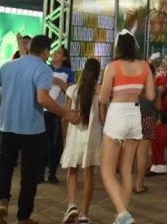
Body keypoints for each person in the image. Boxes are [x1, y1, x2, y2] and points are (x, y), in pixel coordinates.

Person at [0, 34, 80, 224]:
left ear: (30, 47)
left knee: (5, 165)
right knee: (29, 174)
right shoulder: (43, 69)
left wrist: (6, 97)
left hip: (7, 125)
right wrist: (66, 113)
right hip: (32, 130)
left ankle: (2, 202)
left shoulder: (8, 66)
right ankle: (24, 216)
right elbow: (42, 99)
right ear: (45, 52)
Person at [99, 31, 156, 224]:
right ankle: (122, 215)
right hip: (135, 114)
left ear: (118, 47)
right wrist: (135, 88)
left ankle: (123, 214)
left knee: (107, 171)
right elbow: (151, 96)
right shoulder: (145, 66)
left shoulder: (112, 67)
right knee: (126, 170)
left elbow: (103, 98)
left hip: (117, 113)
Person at [60, 58, 102, 224]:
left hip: (74, 137)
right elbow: (102, 117)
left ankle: (71, 205)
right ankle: (84, 214)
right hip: (91, 139)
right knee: (88, 175)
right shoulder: (99, 92)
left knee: (72, 171)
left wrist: (64, 136)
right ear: (98, 74)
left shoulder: (72, 90)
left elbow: (66, 116)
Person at [42, 46, 75, 184]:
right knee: (43, 141)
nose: (55, 54)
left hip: (58, 110)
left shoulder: (68, 72)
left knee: (55, 142)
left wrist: (61, 83)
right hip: (43, 109)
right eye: (54, 52)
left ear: (64, 57)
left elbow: (71, 91)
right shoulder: (45, 68)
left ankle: (52, 172)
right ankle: (39, 172)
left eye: (59, 53)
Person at [134, 57, 159, 194]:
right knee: (142, 154)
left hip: (132, 119)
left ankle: (126, 183)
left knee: (130, 153)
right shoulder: (154, 88)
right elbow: (158, 106)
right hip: (148, 119)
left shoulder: (134, 86)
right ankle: (139, 185)